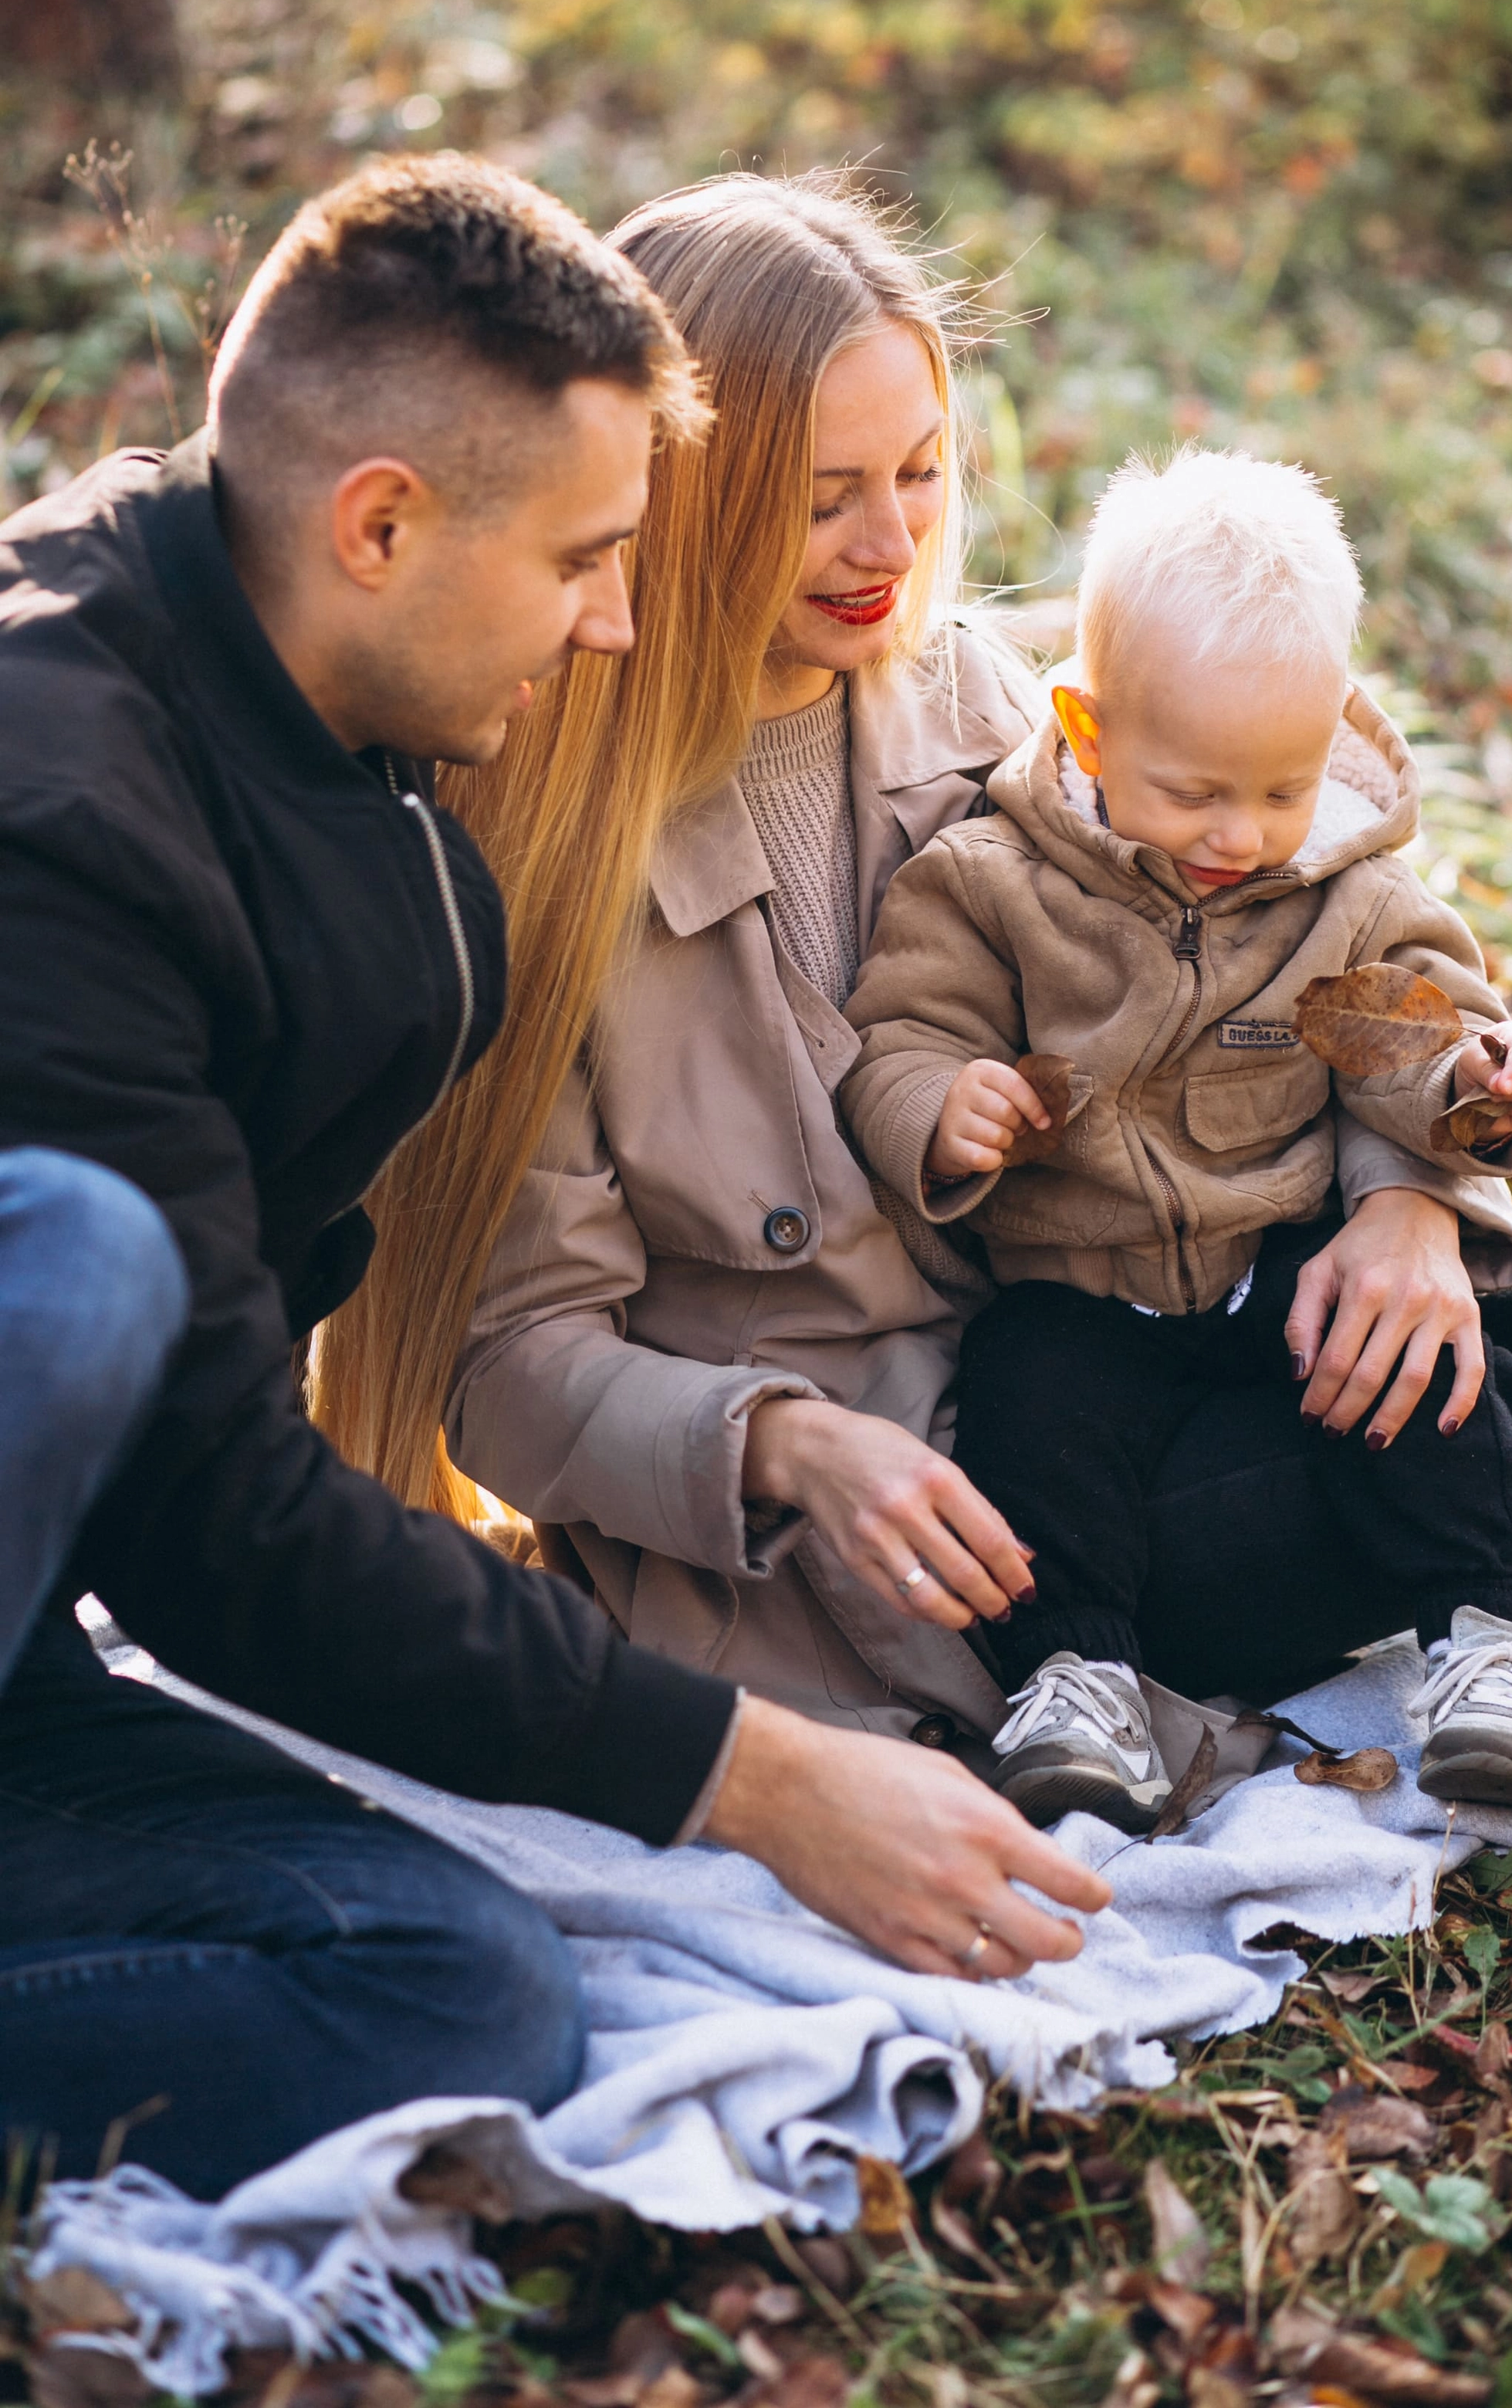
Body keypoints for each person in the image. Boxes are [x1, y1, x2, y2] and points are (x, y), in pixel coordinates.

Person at [0, 154, 1108, 2200]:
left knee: (465, 1998)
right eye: (593, 555)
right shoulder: (61, 820)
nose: (621, 617)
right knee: (76, 1265)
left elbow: (183, 1517)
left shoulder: (315, 711)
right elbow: (224, 1515)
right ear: (384, 525)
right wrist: (754, 1779)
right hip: (94, 1463)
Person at [325, 174, 1512, 1790]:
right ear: (671, 489)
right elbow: (503, 1368)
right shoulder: (533, 849)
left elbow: (1297, 940)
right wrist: (787, 1447)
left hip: (1135, 1377)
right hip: (917, 1559)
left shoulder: (993, 707)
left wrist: (1409, 1199)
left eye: (916, 472)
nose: (888, 543)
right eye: (821, 495)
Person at [842, 447, 1512, 1825]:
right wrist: (944, 1109)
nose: (1244, 836)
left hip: (1269, 1256)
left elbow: (1417, 1046)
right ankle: (1082, 1684)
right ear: (1092, 730)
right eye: (1194, 794)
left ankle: (1486, 1636)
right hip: (1082, 1287)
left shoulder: (1339, 893)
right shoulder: (991, 884)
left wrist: (1483, 1085)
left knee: (1406, 1352)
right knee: (1026, 1399)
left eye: (1283, 789)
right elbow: (899, 1036)